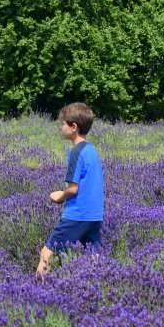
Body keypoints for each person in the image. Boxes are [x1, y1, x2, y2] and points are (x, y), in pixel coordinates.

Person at [37, 102, 104, 275]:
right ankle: (100, 285)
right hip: (95, 215)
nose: (61, 127)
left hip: (77, 214)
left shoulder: (76, 152)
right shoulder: (92, 150)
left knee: (47, 253)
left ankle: (37, 287)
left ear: (73, 127)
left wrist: (59, 196)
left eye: (63, 124)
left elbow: (73, 189)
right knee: (94, 258)